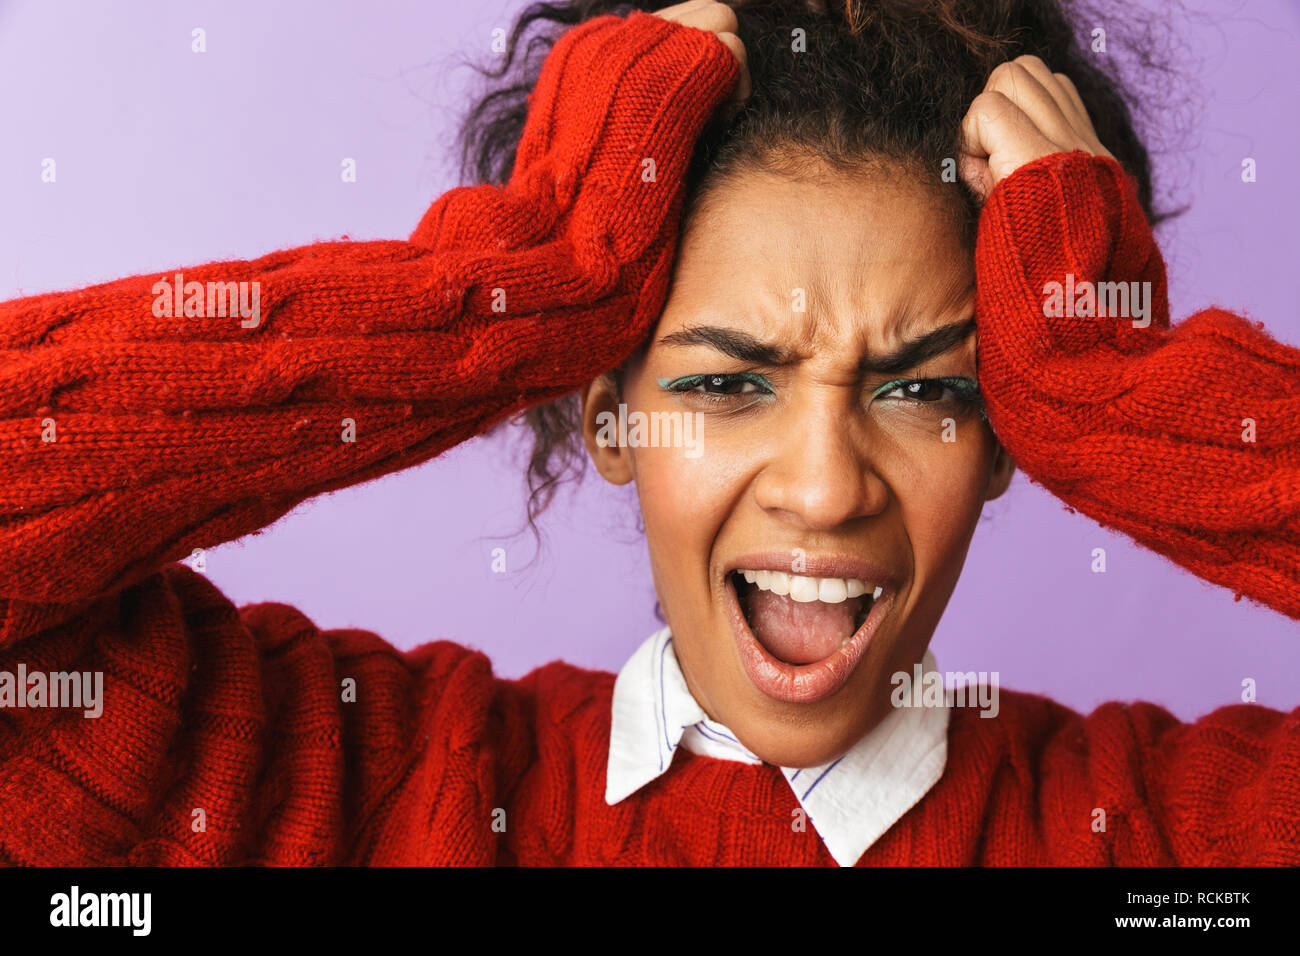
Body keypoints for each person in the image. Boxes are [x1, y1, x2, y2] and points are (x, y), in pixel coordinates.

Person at [0, 0, 1295, 866]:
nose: (825, 487)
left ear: (1009, 430)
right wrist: (533, 275)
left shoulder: (1169, 844)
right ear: (599, 404)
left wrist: (1105, 379)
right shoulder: (368, 791)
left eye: (925, 389)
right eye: (729, 383)